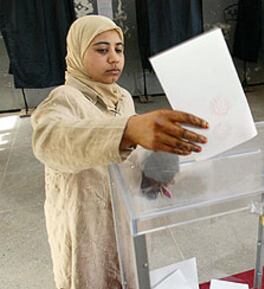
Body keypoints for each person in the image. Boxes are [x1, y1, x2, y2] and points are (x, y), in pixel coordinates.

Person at [31, 15, 208, 289]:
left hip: (125, 217)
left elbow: (128, 152)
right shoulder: (64, 99)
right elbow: (48, 140)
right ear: (77, 53)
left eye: (119, 49)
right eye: (102, 50)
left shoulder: (122, 96)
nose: (113, 58)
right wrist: (127, 130)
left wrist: (153, 172)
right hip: (86, 224)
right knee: (91, 276)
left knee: (127, 273)